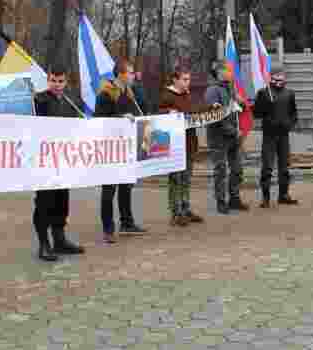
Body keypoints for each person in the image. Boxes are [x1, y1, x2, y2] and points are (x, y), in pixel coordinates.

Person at [32, 65, 87, 261]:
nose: (57, 85)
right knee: (44, 203)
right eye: (53, 80)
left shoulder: (69, 101)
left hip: (64, 160)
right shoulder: (38, 100)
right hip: (43, 161)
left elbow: (79, 125)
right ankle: (44, 244)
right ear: (48, 80)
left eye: (60, 81)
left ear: (66, 81)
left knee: (62, 202)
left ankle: (59, 239)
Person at [96, 58, 147, 242]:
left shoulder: (129, 92)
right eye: (131, 72)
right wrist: (120, 117)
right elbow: (99, 119)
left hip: (126, 147)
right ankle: (108, 228)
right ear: (120, 74)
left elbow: (141, 110)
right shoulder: (105, 94)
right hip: (110, 149)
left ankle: (127, 222)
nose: (134, 75)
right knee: (109, 190)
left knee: (126, 186)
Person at [159, 66, 216, 226]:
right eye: (184, 79)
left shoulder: (187, 95)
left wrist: (211, 108)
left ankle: (185, 207)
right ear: (175, 80)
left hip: (189, 142)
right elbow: (159, 116)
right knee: (175, 179)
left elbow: (193, 111)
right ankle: (175, 212)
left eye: (189, 79)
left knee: (186, 178)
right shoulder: (167, 96)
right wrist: (169, 114)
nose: (187, 82)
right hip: (175, 145)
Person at [204, 60, 250, 214]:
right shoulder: (212, 91)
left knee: (237, 169)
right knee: (221, 170)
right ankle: (221, 201)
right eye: (228, 70)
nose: (231, 73)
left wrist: (241, 103)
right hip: (218, 138)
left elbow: (238, 109)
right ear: (219, 72)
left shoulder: (230, 89)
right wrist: (233, 131)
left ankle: (234, 198)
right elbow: (217, 116)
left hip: (233, 138)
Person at [253, 66, 299, 209]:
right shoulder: (264, 93)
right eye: (276, 76)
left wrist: (290, 124)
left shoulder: (289, 93)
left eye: (282, 75)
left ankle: (283, 195)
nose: (279, 78)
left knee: (284, 167)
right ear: (271, 77)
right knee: (267, 167)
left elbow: (294, 113)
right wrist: (264, 103)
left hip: (284, 135)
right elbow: (257, 114)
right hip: (269, 135)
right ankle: (265, 198)